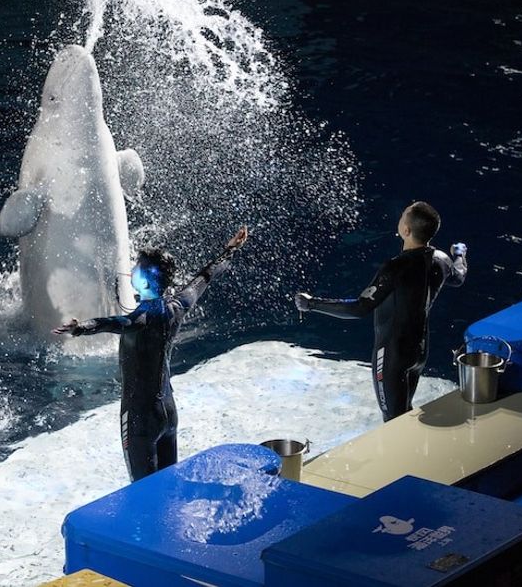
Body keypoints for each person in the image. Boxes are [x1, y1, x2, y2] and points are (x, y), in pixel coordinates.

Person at [53, 226, 248, 481]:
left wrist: (80, 329)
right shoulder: (178, 306)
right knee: (168, 485)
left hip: (140, 419)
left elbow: (110, 323)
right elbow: (203, 278)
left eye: (136, 268)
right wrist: (229, 250)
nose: (131, 270)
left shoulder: (139, 320)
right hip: (168, 412)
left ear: (143, 282)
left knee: (143, 493)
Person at [294, 201, 467, 421]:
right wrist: (459, 253)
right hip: (419, 351)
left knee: (393, 419)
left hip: (392, 353)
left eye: (403, 214)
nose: (400, 214)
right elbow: (459, 276)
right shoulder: (441, 260)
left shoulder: (395, 267)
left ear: (406, 230)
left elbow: (359, 308)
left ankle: (405, 454)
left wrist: (312, 304)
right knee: (405, 411)